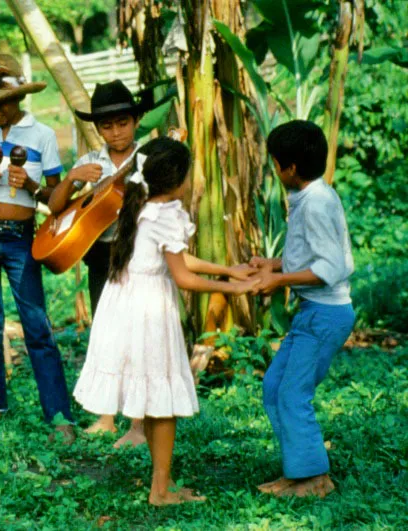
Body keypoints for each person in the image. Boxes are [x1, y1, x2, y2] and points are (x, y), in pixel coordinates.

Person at [73, 137, 258, 505]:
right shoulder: (168, 212)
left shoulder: (140, 203)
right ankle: (160, 490)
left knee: (156, 395)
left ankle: (164, 484)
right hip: (148, 309)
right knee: (163, 398)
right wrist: (233, 289)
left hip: (124, 302)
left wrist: (227, 271)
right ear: (177, 180)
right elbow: (184, 277)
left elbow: (178, 259)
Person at [0, 53, 75, 442]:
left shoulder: (41, 136)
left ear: (19, 98)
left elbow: (58, 197)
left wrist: (31, 187)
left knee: (36, 324)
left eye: (1, 104)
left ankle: (58, 414)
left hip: (21, 237)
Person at [250, 120, 355, 498]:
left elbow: (329, 269)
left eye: (276, 164)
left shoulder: (315, 205)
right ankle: (298, 470)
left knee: (293, 393)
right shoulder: (313, 197)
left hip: (324, 315)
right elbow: (311, 255)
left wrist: (277, 281)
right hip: (312, 312)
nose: (276, 171)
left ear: (289, 168)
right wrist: (272, 263)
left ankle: (314, 479)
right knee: (275, 386)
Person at [48, 79, 149, 445]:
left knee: (139, 338)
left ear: (136, 121)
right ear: (97, 129)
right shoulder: (90, 161)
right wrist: (73, 179)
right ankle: (106, 417)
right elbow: (56, 207)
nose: (115, 131)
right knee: (106, 334)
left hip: (140, 256)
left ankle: (138, 424)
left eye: (122, 123)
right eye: (106, 125)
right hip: (100, 257)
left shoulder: (149, 157)